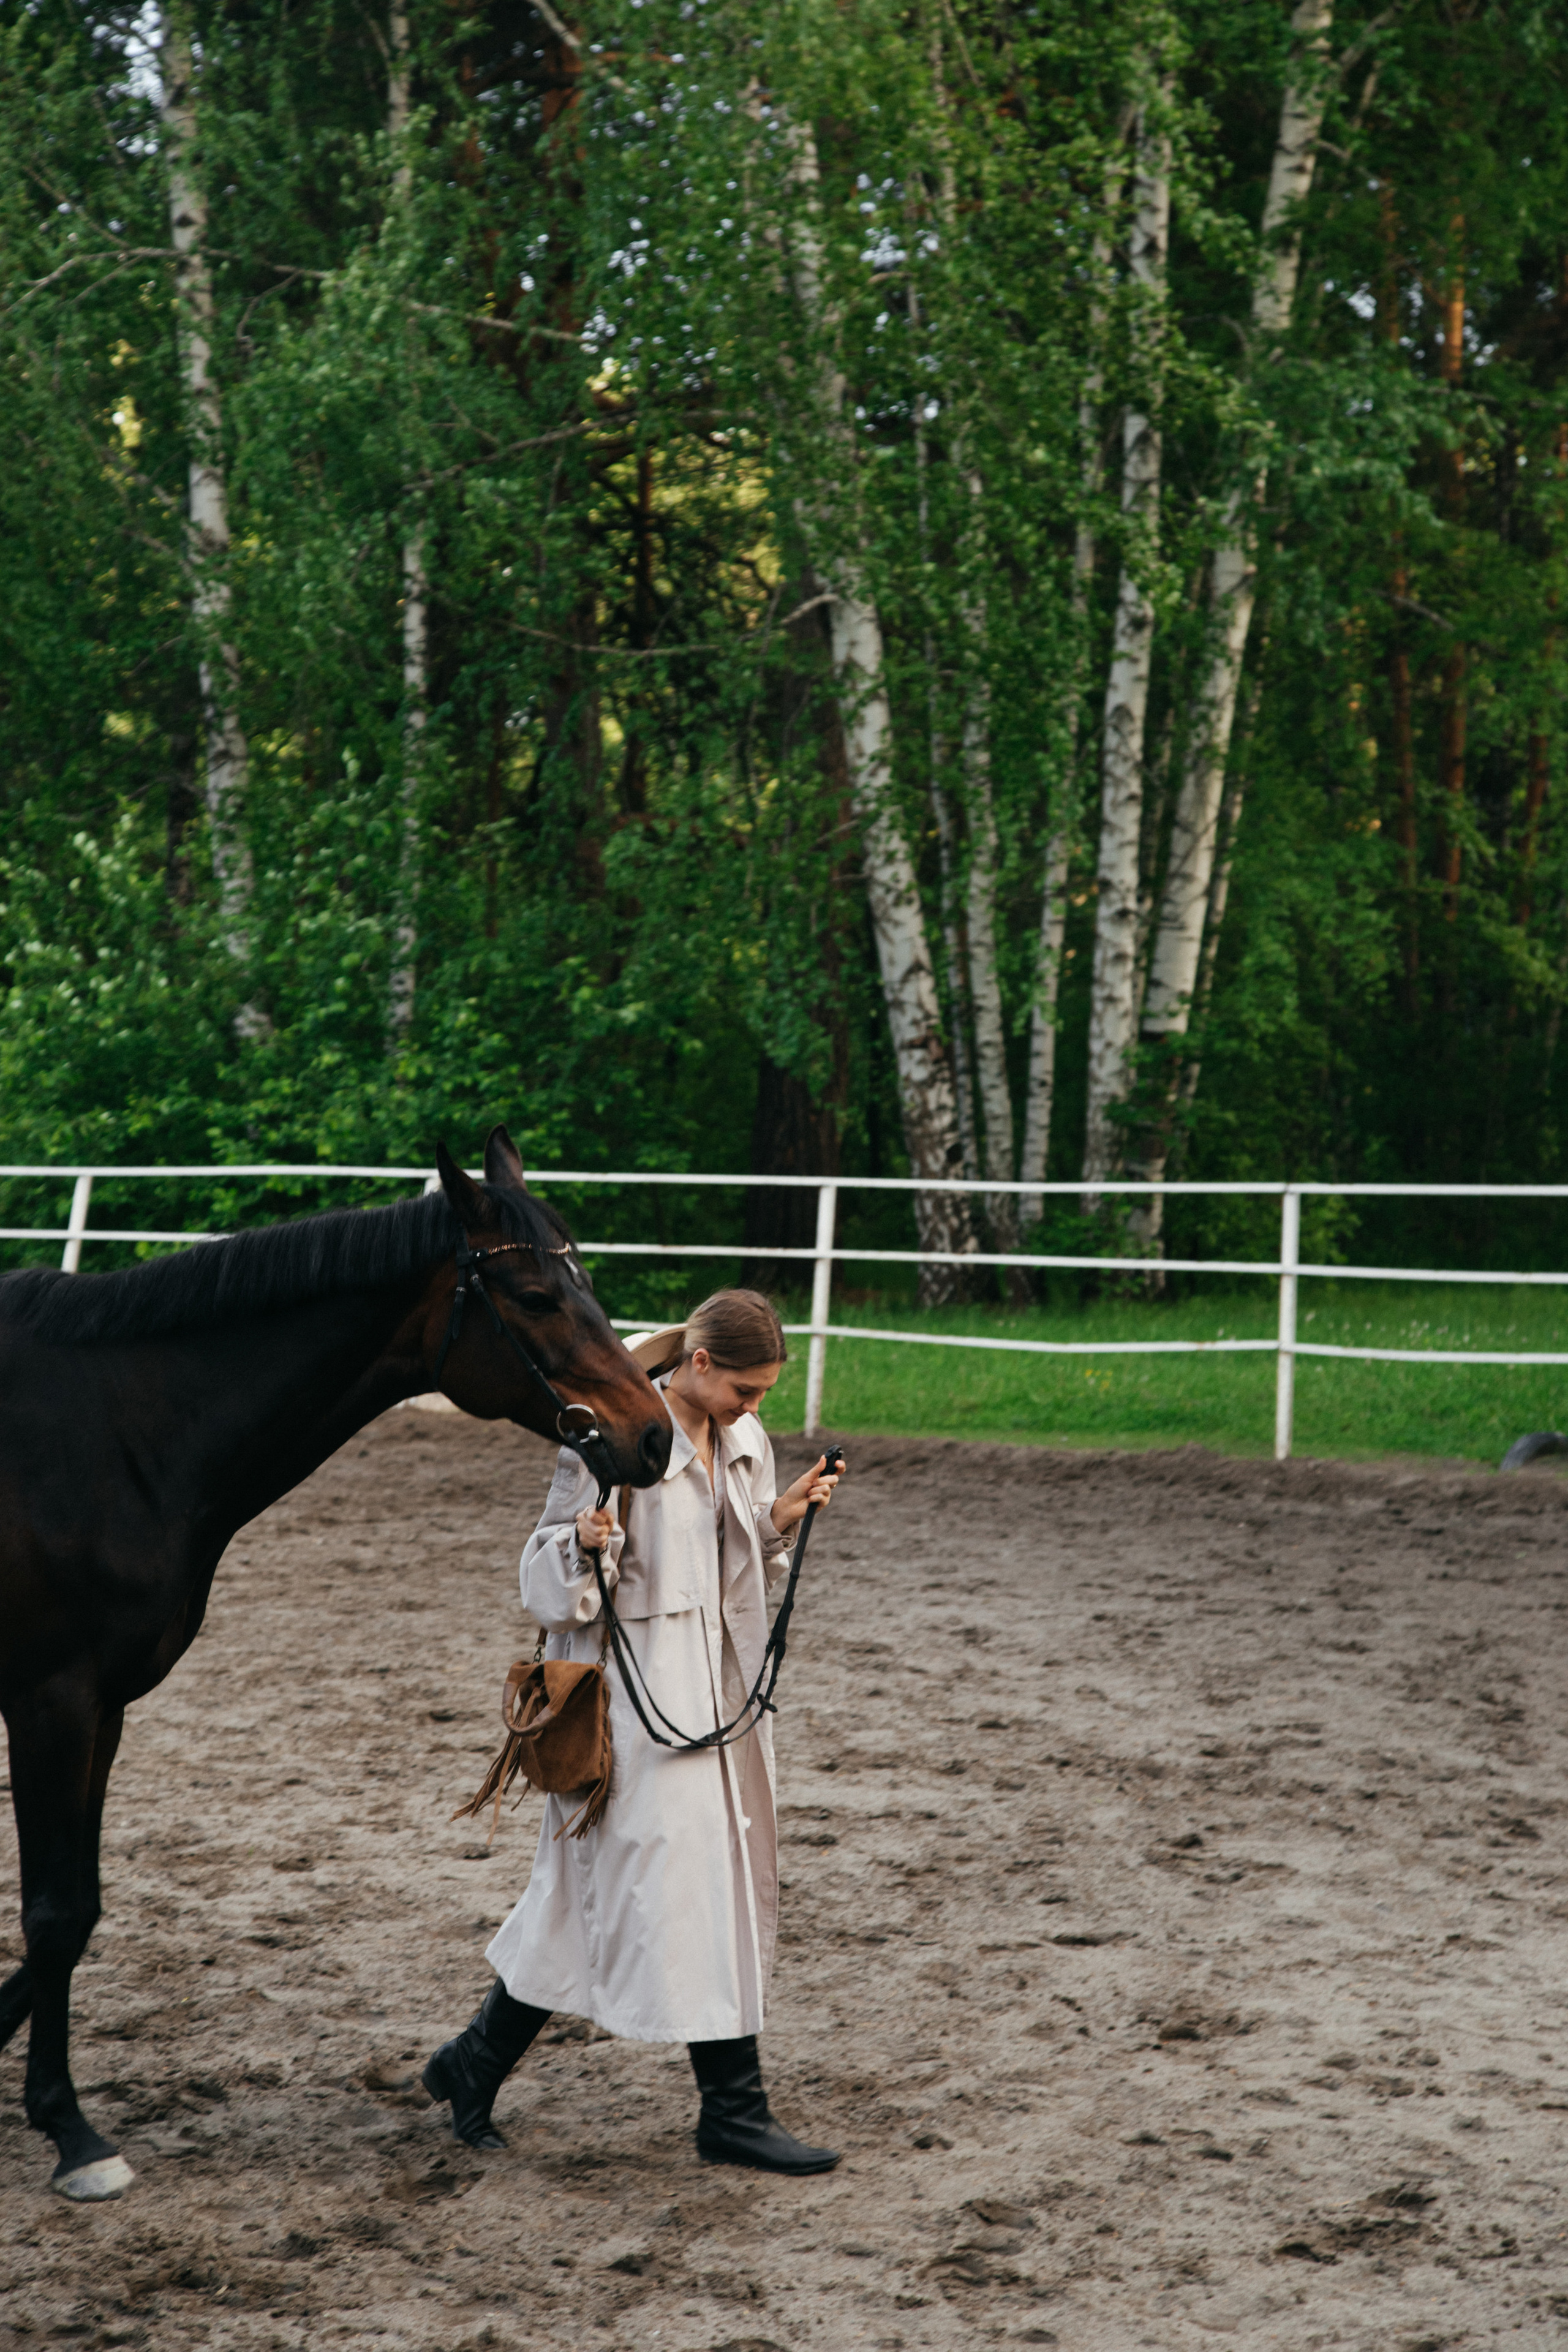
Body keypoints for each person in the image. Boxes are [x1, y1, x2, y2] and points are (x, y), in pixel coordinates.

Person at [423, 1288, 845, 2173]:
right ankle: (731, 2111)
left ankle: (476, 2062)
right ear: (698, 1365)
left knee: (595, 1899)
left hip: (711, 1688)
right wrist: (583, 1539)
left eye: (763, 1393)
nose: (754, 1408)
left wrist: (778, 1519)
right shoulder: (613, 1438)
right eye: (745, 1390)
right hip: (633, 1700)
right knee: (678, 1888)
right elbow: (543, 1580)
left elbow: (729, 1563)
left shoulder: (745, 1442)